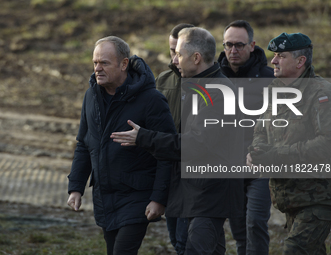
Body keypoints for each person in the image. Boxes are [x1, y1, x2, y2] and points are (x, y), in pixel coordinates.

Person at [112, 27, 245, 255]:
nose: (174, 60)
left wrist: (143, 137)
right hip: (192, 191)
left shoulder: (219, 93)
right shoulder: (194, 86)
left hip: (209, 194)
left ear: (196, 58)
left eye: (179, 55)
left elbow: (196, 144)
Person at [66, 36, 176, 255]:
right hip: (105, 196)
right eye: (95, 63)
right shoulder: (91, 97)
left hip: (138, 196)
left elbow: (167, 152)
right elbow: (83, 145)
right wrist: (76, 187)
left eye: (104, 63)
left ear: (124, 64)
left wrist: (158, 199)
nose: (97, 68)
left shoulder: (151, 100)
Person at [247, 32, 331, 254]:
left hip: (318, 197)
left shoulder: (321, 93)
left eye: (280, 56)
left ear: (300, 61)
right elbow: (260, 129)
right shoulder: (276, 90)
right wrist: (255, 151)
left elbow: (326, 144)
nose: (273, 61)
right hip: (290, 197)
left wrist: (274, 155)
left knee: (294, 250)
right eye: (274, 55)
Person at [217, 20, 274, 255]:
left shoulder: (271, 79)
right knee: (239, 230)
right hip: (229, 168)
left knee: (255, 223)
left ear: (252, 45)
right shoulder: (214, 78)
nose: (233, 50)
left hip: (260, 167)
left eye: (239, 45)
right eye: (228, 45)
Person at [155, 23, 194, 255]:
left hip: (197, 175)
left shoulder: (212, 81)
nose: (175, 58)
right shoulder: (163, 81)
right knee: (174, 237)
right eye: (172, 51)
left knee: (186, 242)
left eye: (179, 52)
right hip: (170, 172)